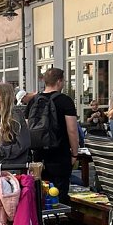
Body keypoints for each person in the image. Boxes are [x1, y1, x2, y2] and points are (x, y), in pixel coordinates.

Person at [26, 67, 79, 203]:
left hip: (38, 156)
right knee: (59, 195)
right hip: (59, 154)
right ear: (59, 81)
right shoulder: (65, 101)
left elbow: (27, 128)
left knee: (40, 195)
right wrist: (74, 153)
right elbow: (72, 130)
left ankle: (43, 223)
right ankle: (58, 223)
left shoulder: (33, 101)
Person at [0, 82, 30, 168]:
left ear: (6, 98)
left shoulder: (15, 116)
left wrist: (0, 151)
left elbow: (23, 144)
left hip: (14, 166)